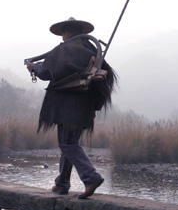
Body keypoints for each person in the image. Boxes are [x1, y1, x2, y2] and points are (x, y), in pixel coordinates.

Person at [26, 17, 116, 199]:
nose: (62, 38)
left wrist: (34, 67)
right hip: (84, 108)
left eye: (63, 34)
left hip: (68, 107)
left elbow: (46, 72)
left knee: (67, 144)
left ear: (66, 33)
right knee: (69, 143)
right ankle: (62, 184)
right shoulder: (90, 51)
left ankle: (90, 177)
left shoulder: (64, 50)